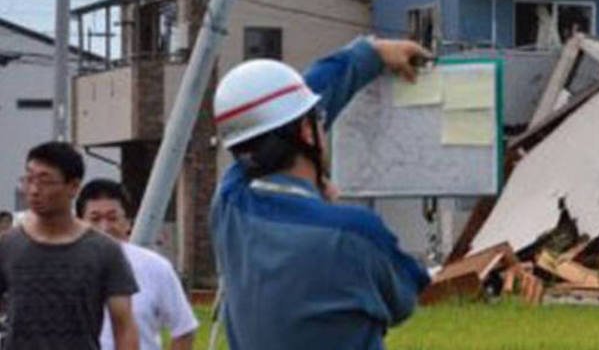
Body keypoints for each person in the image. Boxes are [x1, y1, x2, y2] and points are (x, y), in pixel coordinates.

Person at [210, 36, 432, 350]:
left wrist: (369, 55)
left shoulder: (229, 204)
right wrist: (369, 52)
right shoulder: (355, 231)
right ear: (305, 131)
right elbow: (404, 298)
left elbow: (279, 116)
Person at [0, 142, 139, 349]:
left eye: (45, 181)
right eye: (29, 179)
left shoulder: (104, 251)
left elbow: (124, 325)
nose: (34, 190)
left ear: (73, 187)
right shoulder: (9, 245)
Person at [78, 179, 198, 350]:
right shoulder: (63, 268)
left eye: (112, 218)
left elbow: (184, 330)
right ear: (79, 223)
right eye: (95, 219)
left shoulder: (155, 267)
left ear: (127, 223)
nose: (104, 228)